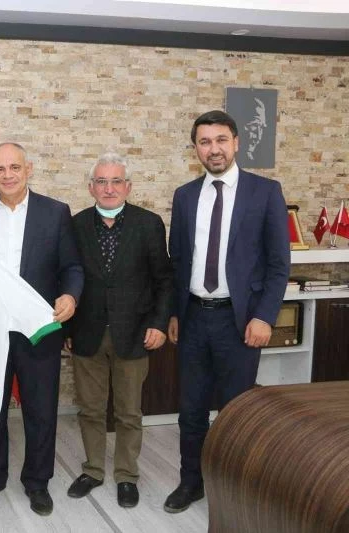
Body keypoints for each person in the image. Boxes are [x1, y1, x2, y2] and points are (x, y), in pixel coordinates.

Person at [164, 110, 290, 513]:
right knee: (191, 410)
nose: (213, 149)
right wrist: (175, 313)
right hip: (193, 318)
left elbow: (279, 264)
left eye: (220, 140)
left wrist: (264, 316)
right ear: (196, 149)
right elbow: (178, 260)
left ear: (236, 142)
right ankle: (191, 483)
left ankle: (236, 488)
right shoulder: (185, 196)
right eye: (204, 142)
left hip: (240, 321)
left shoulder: (265, 192)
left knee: (237, 412)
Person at [0, 142, 84, 516]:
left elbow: (72, 267)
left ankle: (37, 482)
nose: (8, 175)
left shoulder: (56, 212)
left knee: (41, 409)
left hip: (38, 327)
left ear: (29, 169)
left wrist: (71, 295)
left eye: (15, 167)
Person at [65, 153, 173, 508]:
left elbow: (164, 280)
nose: (108, 188)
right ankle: (93, 470)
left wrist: (159, 323)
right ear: (91, 187)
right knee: (90, 410)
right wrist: (67, 327)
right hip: (87, 333)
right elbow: (67, 277)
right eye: (101, 182)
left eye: (115, 182)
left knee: (128, 412)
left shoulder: (149, 224)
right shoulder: (76, 225)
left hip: (135, 333)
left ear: (128, 186)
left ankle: (127, 475)